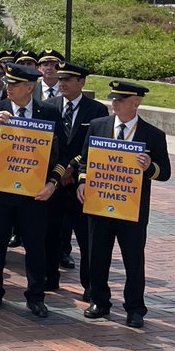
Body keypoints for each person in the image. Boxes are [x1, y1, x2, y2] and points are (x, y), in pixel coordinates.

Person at [78, 80, 171, 328]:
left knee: (133, 258)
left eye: (120, 99)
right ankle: (99, 301)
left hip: (132, 207)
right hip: (99, 203)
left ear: (135, 102)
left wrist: (148, 167)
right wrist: (82, 182)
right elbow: (84, 161)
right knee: (97, 254)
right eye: (113, 99)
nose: (114, 103)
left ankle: (135, 308)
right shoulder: (99, 126)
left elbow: (165, 173)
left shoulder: (152, 135)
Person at [0, 63, 63, 318]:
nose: (8, 88)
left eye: (14, 84)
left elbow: (61, 154)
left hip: (34, 193)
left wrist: (53, 183)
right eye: (8, 83)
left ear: (29, 87)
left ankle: (36, 297)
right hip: (1, 192)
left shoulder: (48, 113)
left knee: (36, 246)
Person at [45, 61, 109, 295]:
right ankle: (49, 277)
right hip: (53, 181)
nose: (62, 83)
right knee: (49, 233)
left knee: (86, 237)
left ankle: (89, 285)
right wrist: (58, 171)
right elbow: (46, 144)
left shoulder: (97, 110)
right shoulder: (48, 106)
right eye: (60, 79)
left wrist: (71, 166)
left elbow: (94, 145)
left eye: (68, 79)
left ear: (81, 82)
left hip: (81, 183)